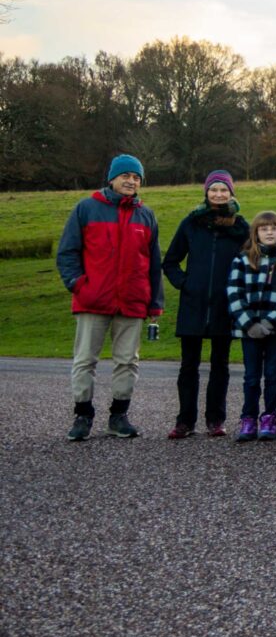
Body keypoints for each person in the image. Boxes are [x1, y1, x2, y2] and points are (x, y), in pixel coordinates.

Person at [57, 154, 163, 441]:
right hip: (93, 300)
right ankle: (82, 415)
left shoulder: (146, 215)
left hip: (131, 301)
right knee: (84, 360)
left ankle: (119, 416)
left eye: (136, 177)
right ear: (112, 179)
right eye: (126, 176)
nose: (131, 181)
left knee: (128, 361)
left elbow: (153, 263)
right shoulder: (87, 209)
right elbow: (67, 253)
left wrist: (155, 302)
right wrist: (78, 284)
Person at [162, 170, 248, 439]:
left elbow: (250, 262)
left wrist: (239, 290)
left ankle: (216, 419)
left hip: (225, 305)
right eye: (214, 190)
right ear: (206, 192)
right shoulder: (191, 222)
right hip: (194, 304)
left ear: (231, 193)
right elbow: (171, 261)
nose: (219, 194)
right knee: (189, 366)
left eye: (224, 190)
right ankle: (185, 420)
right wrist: (185, 283)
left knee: (220, 366)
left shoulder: (240, 226)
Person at [224, 210, 276, 442]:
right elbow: (233, 292)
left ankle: (269, 416)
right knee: (251, 376)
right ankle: (248, 418)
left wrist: (270, 322)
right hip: (249, 329)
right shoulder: (242, 259)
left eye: (274, 228)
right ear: (256, 232)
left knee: (272, 374)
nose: (270, 232)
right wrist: (249, 323)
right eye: (264, 228)